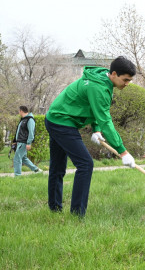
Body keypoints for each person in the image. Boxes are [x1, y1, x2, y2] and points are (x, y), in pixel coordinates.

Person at [45, 56, 137, 217]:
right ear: (114, 73)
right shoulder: (99, 87)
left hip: (57, 118)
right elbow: (105, 120)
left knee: (58, 168)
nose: (127, 84)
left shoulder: (102, 79)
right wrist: (123, 151)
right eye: (125, 80)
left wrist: (96, 129)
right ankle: (77, 215)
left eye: (130, 80)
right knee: (85, 164)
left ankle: (55, 209)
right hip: (61, 121)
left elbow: (92, 107)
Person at [13, 106, 41, 176]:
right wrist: (15, 141)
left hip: (24, 142)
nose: (18, 112)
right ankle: (36, 170)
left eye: (19, 111)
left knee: (17, 158)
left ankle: (17, 175)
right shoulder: (23, 120)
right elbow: (19, 131)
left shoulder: (30, 120)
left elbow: (31, 132)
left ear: (21, 111)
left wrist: (29, 143)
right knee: (24, 158)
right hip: (20, 142)